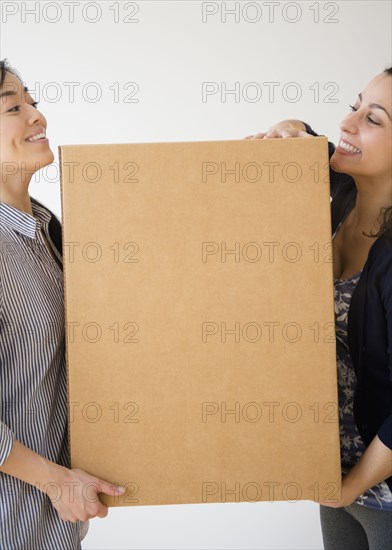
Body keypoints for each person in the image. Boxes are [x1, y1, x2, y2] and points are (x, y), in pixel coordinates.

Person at [246, 67, 392, 549]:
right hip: (335, 477)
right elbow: (307, 136)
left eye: (374, 119)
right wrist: (288, 129)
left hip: (381, 487)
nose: (348, 124)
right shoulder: (341, 195)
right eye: (354, 105)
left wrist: (355, 484)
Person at [0, 60, 125, 549]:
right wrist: (53, 480)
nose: (37, 116)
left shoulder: (51, 232)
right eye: (13, 107)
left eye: (33, 101)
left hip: (56, 525)